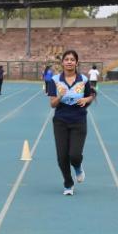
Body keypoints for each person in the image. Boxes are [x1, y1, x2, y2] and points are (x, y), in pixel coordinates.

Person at [47, 49, 96, 195]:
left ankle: (78, 167)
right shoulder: (55, 81)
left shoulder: (84, 79)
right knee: (62, 156)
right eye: (66, 59)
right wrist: (60, 96)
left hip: (78, 120)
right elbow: (52, 104)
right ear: (62, 62)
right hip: (60, 121)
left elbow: (91, 95)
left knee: (74, 155)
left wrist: (86, 99)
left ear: (76, 62)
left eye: (72, 59)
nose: (69, 62)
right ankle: (68, 184)